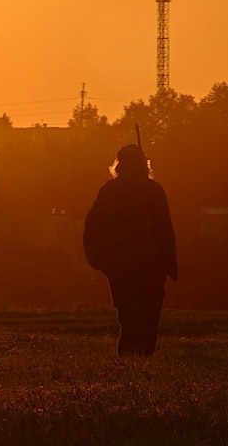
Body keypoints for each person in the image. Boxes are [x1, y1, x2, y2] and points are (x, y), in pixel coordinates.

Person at [82, 143, 178, 357]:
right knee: (148, 319)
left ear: (119, 166)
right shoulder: (154, 190)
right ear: (144, 164)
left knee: (129, 318)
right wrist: (169, 265)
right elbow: (165, 231)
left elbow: (93, 227)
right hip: (151, 267)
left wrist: (100, 260)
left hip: (122, 267)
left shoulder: (110, 191)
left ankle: (128, 364)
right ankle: (140, 363)